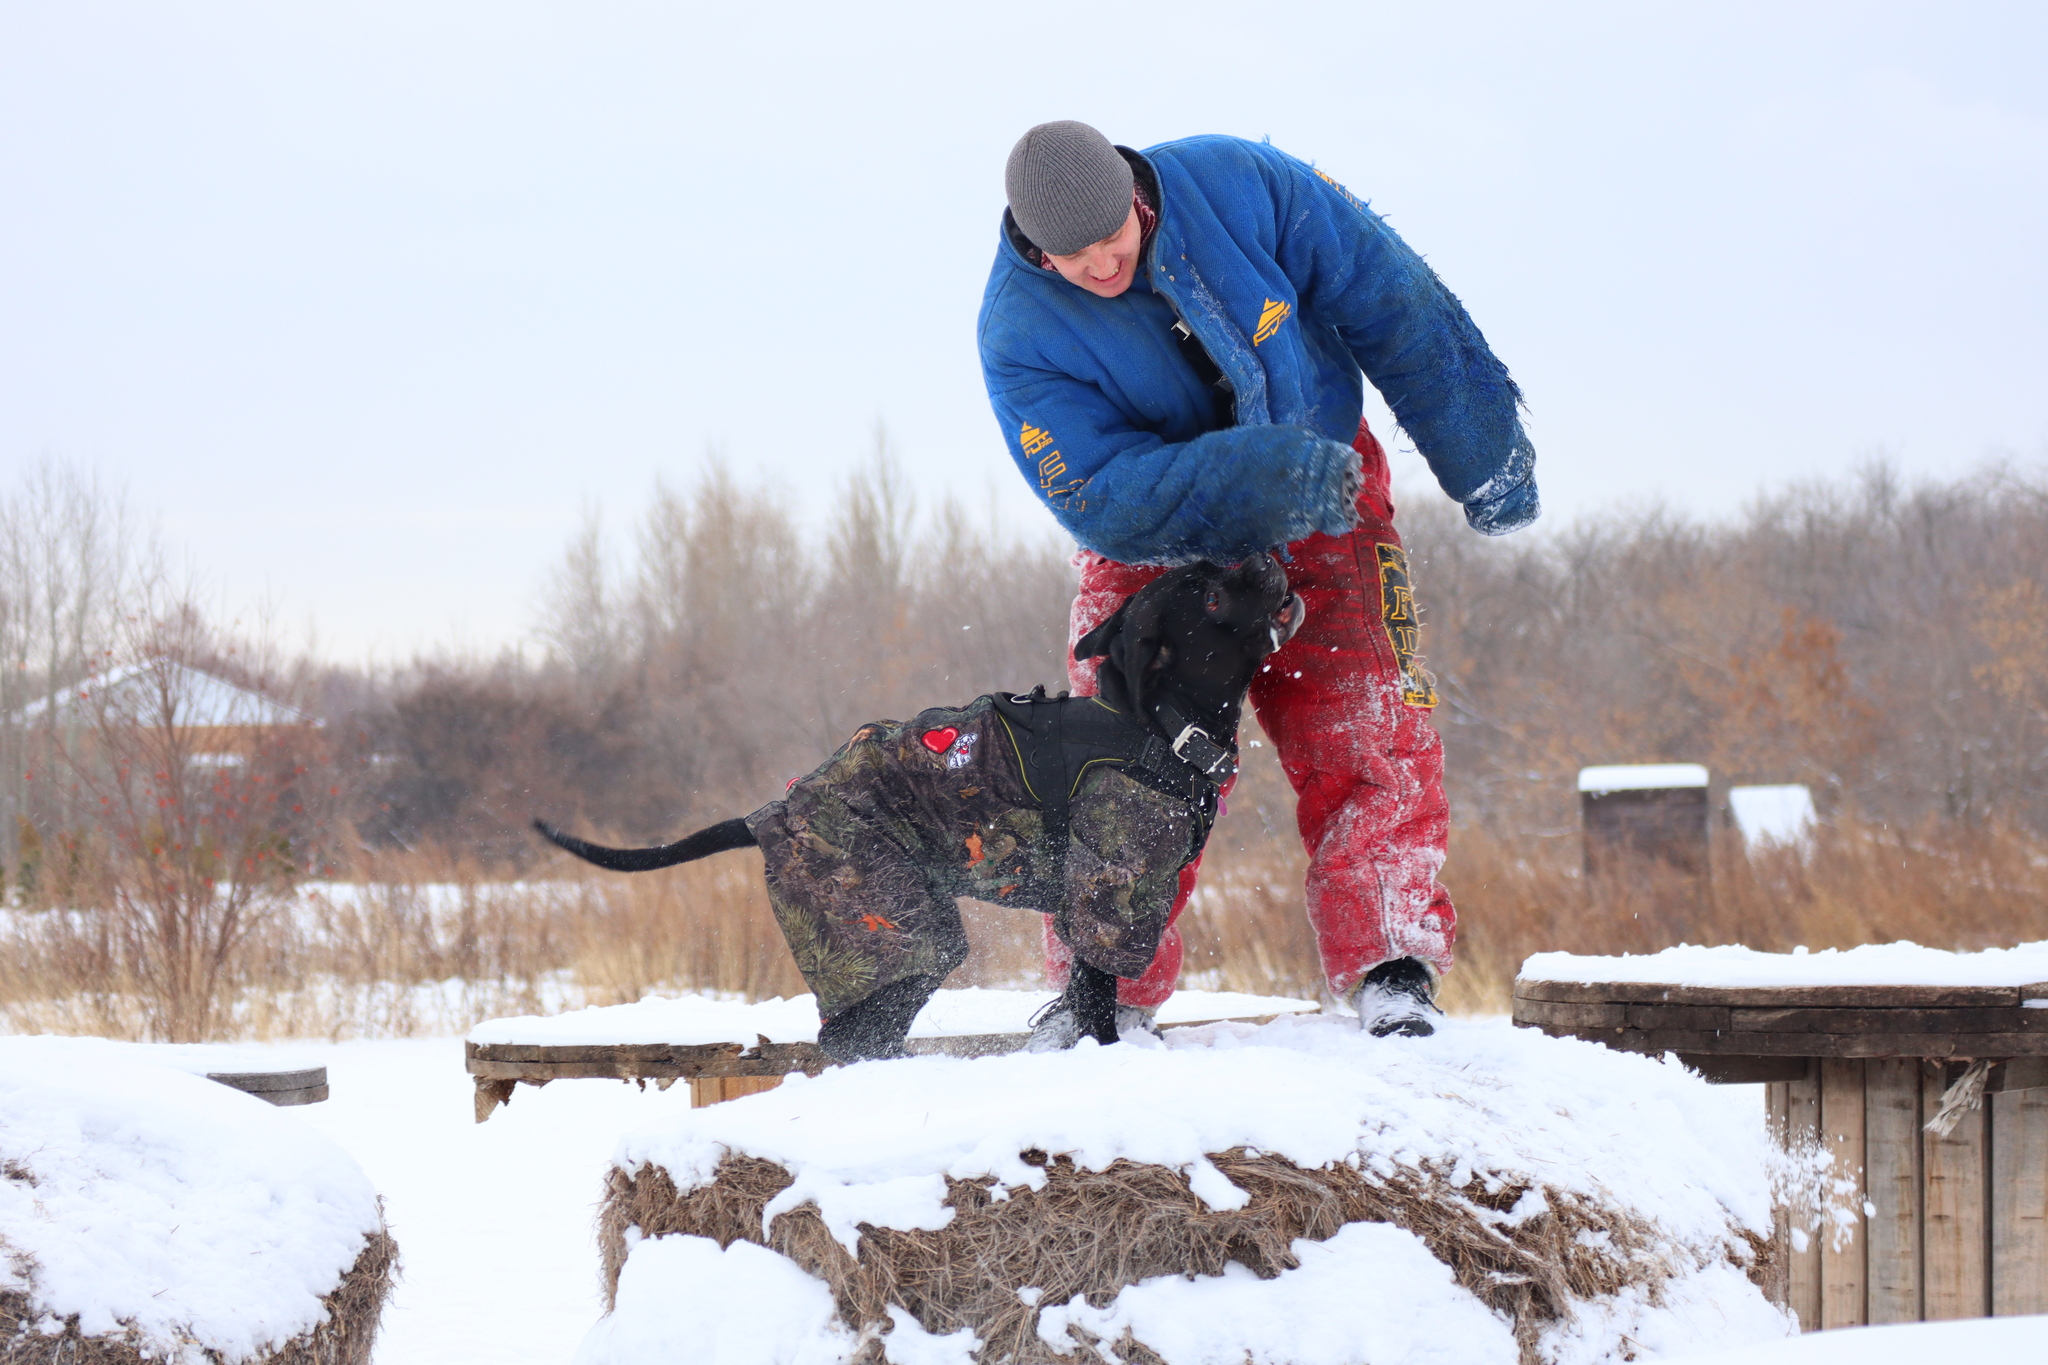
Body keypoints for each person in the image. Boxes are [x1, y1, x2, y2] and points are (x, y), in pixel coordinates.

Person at [976, 121, 1539, 1039]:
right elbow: (1097, 493)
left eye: (1113, 237)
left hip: (1324, 485)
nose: (1103, 264)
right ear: (1034, 247)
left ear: (1134, 193)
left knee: (1369, 717)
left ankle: (1392, 960)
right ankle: (1103, 989)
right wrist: (1246, 478)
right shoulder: (1019, 331)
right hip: (1153, 536)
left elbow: (1385, 289)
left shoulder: (1242, 183)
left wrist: (1480, 446)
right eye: (1073, 257)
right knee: (1122, 757)